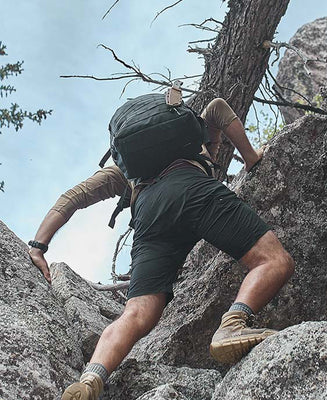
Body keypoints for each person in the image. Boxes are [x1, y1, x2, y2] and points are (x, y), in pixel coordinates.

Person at [29, 97, 294, 400]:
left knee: (137, 312)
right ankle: (232, 325)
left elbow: (72, 198)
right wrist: (251, 158)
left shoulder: (125, 171)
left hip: (149, 217)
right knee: (273, 260)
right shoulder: (197, 136)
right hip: (191, 188)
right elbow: (219, 108)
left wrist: (38, 246)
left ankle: (90, 379)